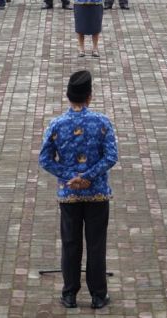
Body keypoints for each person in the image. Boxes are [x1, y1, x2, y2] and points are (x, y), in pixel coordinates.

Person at [39, 70, 118, 310]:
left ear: (68, 95)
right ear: (90, 96)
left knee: (70, 243)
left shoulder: (56, 124)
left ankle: (70, 293)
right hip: (97, 193)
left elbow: (45, 159)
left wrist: (70, 177)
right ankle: (98, 294)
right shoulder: (102, 122)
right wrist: (88, 176)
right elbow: (111, 157)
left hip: (69, 194)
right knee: (96, 244)